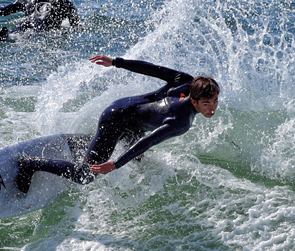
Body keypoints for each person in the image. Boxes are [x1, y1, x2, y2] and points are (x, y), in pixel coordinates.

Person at [16, 55, 220, 193]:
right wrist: (114, 165)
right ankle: (30, 164)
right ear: (193, 100)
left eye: (214, 101)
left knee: (136, 158)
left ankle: (89, 143)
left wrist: (115, 62)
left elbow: (151, 69)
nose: (211, 108)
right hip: (115, 120)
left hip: (129, 111)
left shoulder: (188, 82)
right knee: (85, 176)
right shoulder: (180, 121)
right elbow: (149, 141)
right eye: (206, 104)